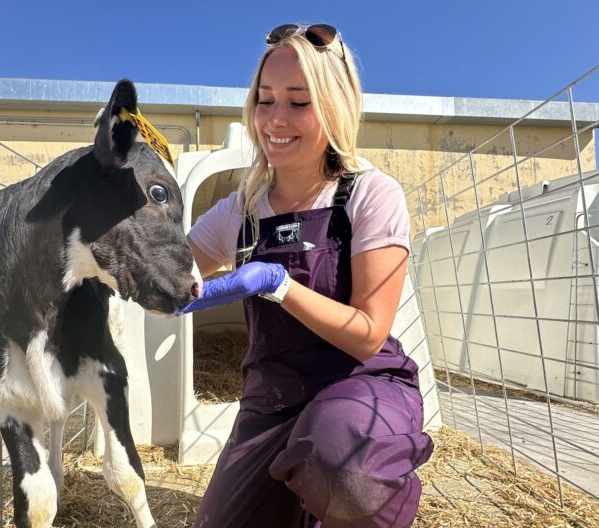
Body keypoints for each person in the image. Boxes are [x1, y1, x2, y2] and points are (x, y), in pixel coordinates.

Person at [180, 23, 434, 528]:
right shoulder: (239, 210)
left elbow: (368, 334)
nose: (275, 118)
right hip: (270, 400)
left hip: (359, 385)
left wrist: (280, 286)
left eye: (299, 102)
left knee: (347, 473)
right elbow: (167, 272)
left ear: (334, 108)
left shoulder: (369, 195)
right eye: (265, 99)